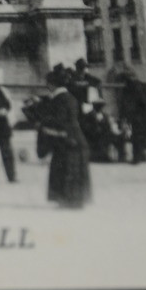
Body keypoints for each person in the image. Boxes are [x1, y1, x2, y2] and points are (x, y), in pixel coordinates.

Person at [35, 67, 92, 209]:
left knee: (66, 169)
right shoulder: (71, 97)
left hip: (66, 139)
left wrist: (44, 125)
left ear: (52, 84)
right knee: (73, 170)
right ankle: (73, 201)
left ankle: (68, 201)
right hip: (75, 138)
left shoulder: (59, 99)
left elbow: (59, 121)